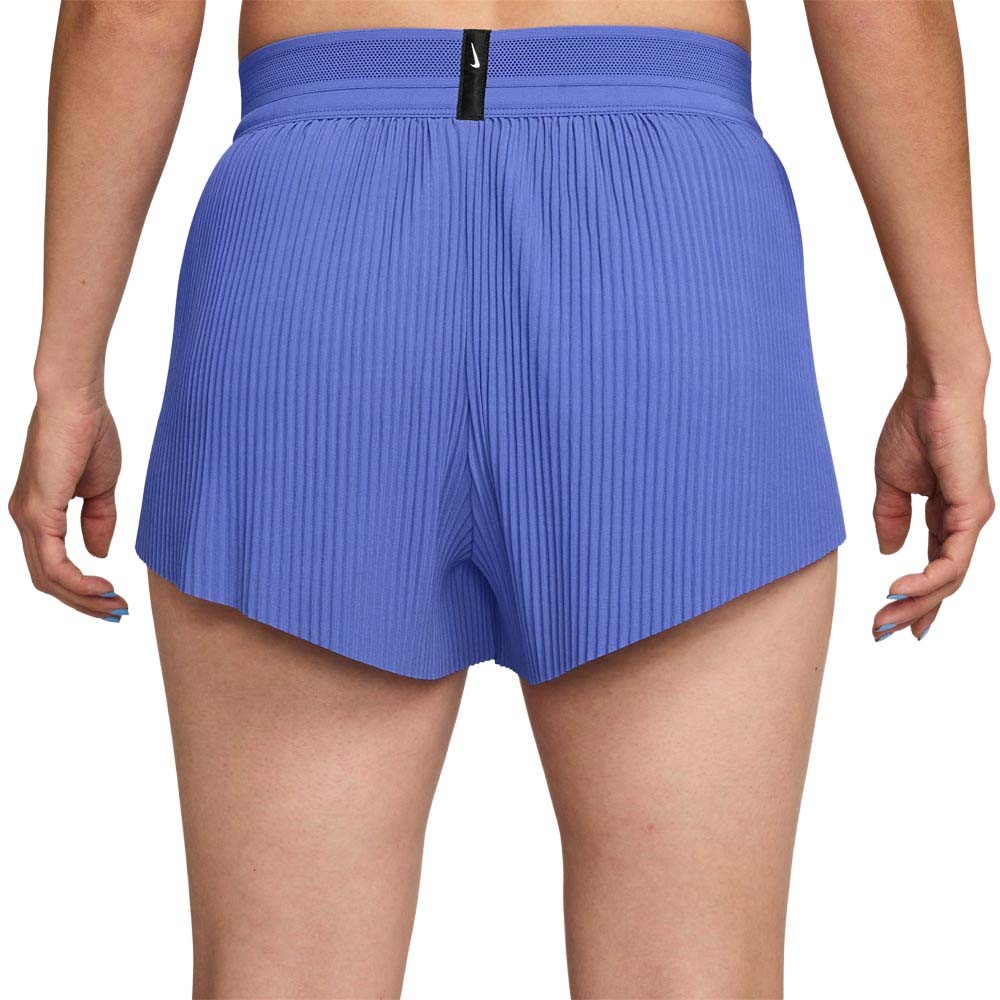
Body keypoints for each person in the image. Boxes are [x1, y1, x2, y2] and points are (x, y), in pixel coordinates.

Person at [9, 2, 992, 997]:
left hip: (315, 240)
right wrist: (950, 369)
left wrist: (66, 379)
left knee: (284, 975)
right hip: (660, 245)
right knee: (688, 974)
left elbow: (130, 9)